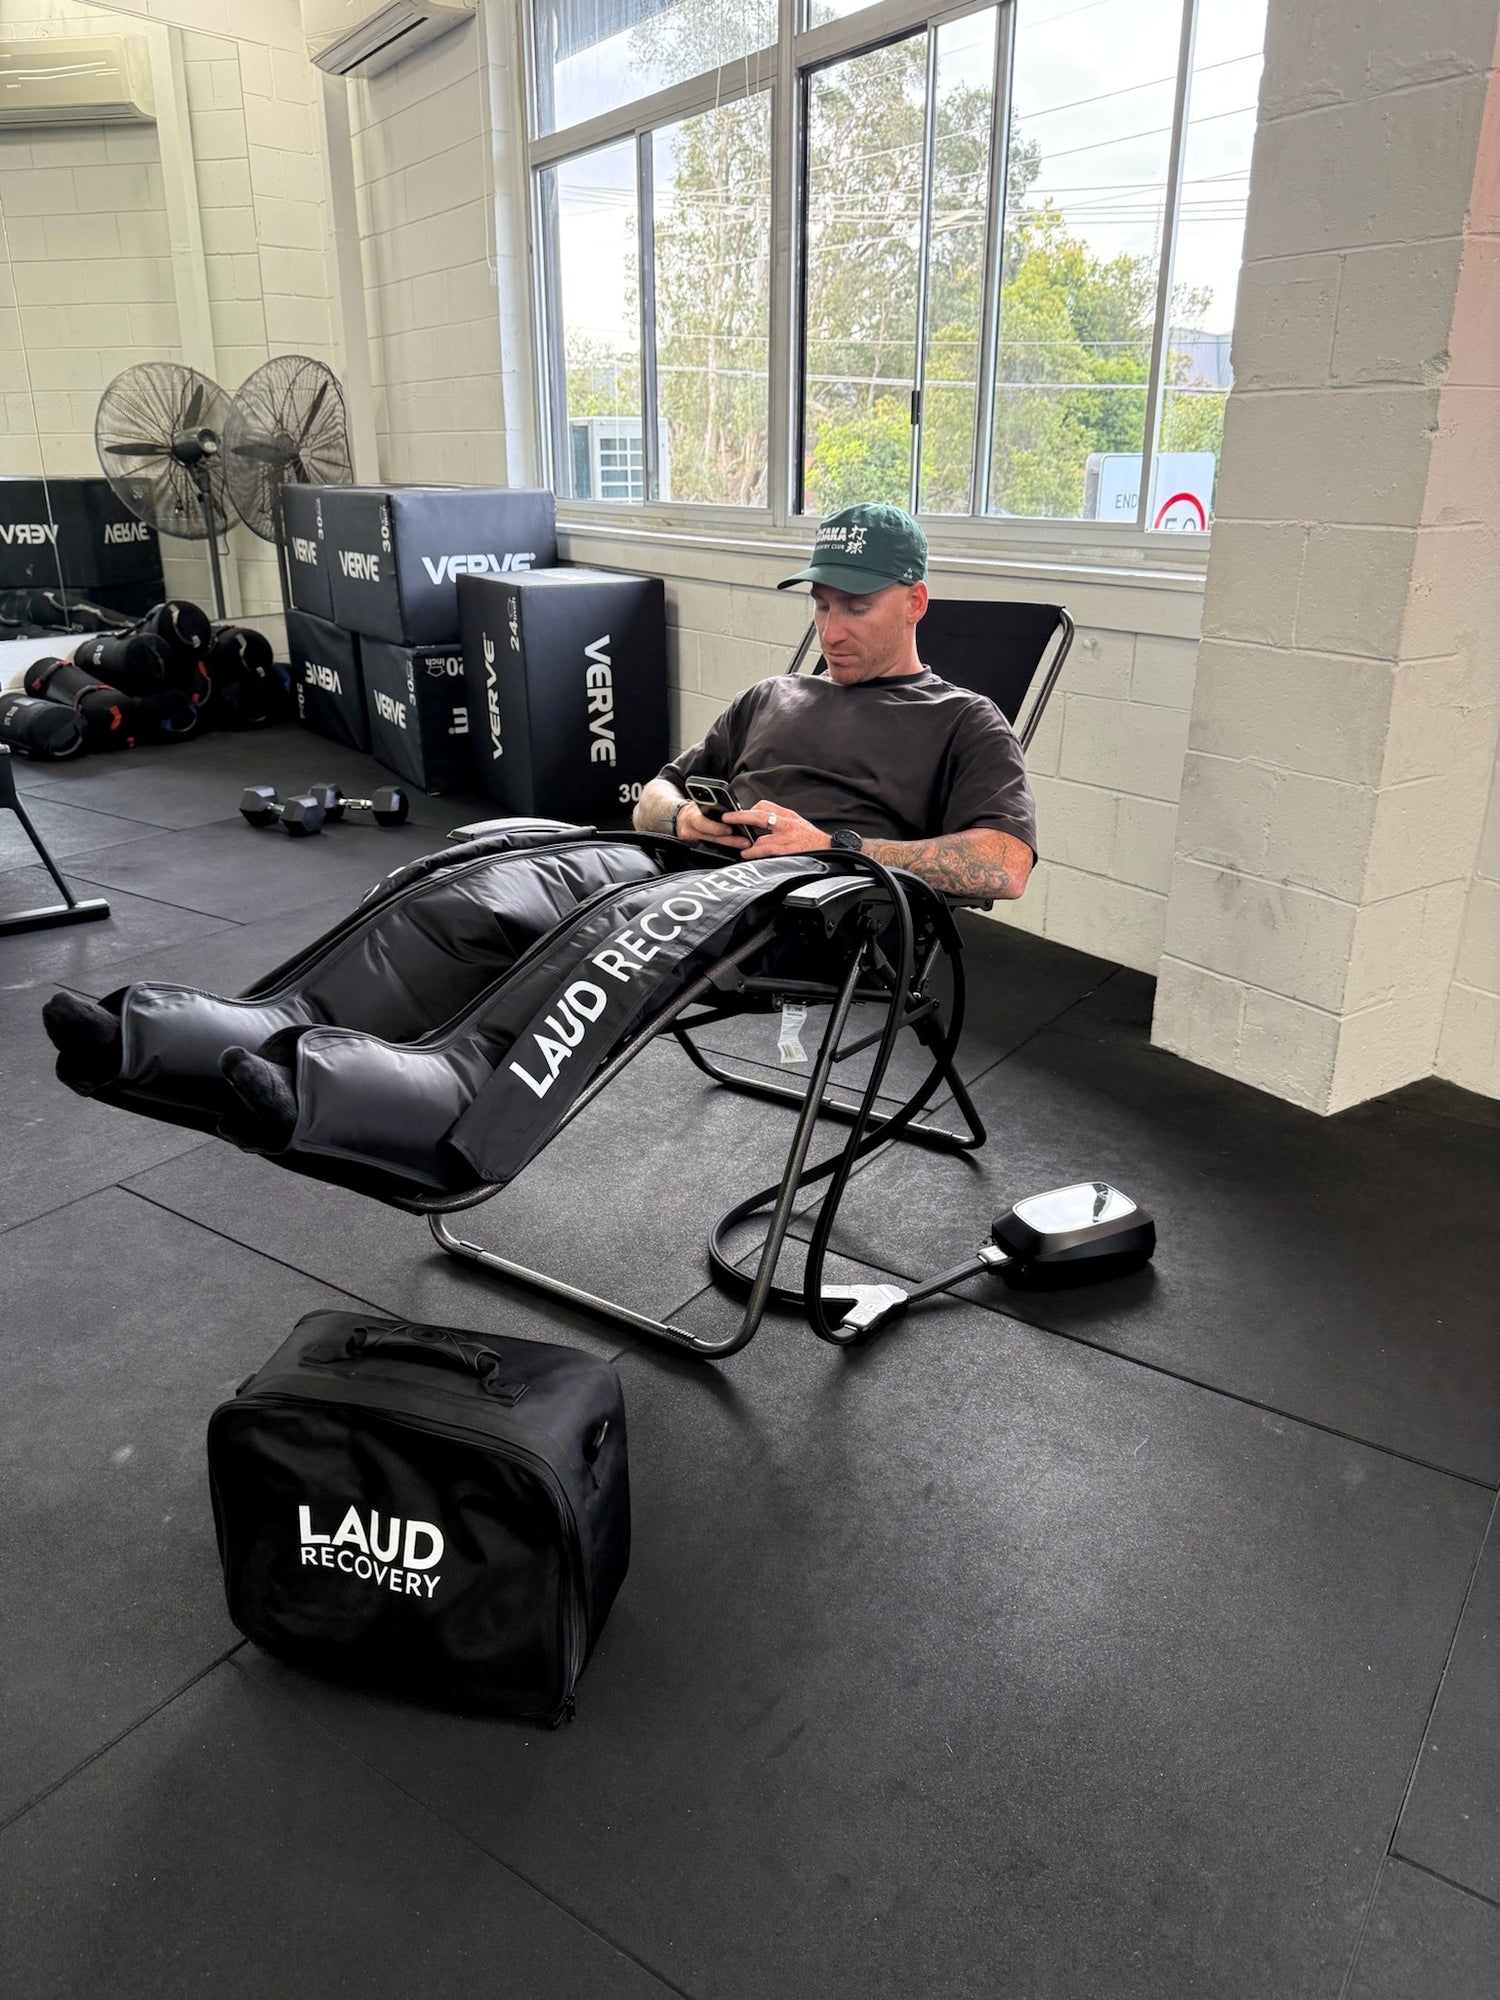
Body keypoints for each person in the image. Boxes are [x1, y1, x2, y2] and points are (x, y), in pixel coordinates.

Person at [632, 502, 1037, 901]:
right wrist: (681, 817)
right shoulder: (768, 697)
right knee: (570, 874)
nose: (831, 633)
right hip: (683, 883)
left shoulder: (964, 720)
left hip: (794, 913)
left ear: (915, 602)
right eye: (822, 605)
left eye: (857, 608)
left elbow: (1008, 863)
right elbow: (653, 797)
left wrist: (833, 846)